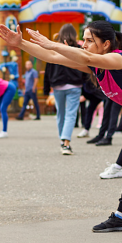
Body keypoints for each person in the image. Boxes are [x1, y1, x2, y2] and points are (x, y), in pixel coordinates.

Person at [0, 21, 122, 243]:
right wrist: (21, 43)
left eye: (89, 40)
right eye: (83, 40)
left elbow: (85, 57)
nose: (84, 44)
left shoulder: (119, 58)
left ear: (106, 44)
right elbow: (52, 58)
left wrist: (50, 43)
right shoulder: (97, 65)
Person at [43, 24, 84, 155]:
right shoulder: (78, 48)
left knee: (60, 113)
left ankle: (63, 141)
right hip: (75, 85)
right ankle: (66, 142)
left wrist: (45, 88)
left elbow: (48, 69)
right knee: (71, 114)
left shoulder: (55, 48)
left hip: (57, 85)